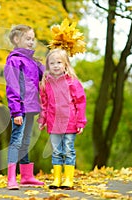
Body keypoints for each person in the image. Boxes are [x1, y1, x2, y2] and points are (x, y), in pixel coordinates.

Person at [38, 48, 87, 189]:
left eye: (59, 62)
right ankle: (57, 179)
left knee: (68, 149)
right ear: (48, 66)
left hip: (70, 121)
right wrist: (42, 119)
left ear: (66, 64)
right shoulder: (45, 83)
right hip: (54, 123)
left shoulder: (72, 82)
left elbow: (80, 102)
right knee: (56, 151)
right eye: (52, 63)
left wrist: (80, 121)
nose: (56, 65)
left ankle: (68, 180)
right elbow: (44, 104)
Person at [4, 24, 45, 190]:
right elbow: (12, 87)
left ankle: (27, 176)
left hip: (31, 107)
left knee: (26, 141)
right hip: (20, 109)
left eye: (32, 39)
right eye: (28, 39)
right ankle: (11, 178)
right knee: (17, 140)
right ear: (16, 39)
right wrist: (16, 111)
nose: (31, 42)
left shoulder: (33, 62)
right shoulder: (14, 60)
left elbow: (46, 74)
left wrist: (59, 54)